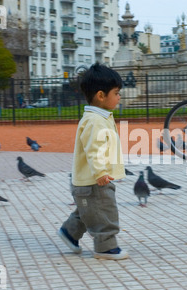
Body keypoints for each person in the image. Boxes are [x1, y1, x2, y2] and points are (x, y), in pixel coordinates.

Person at [57, 63, 129, 260]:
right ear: (100, 95)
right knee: (104, 212)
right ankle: (105, 247)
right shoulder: (95, 121)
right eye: (116, 92)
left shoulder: (100, 117)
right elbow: (93, 149)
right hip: (94, 180)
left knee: (89, 210)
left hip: (90, 181)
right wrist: (100, 173)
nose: (119, 96)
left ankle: (69, 233)